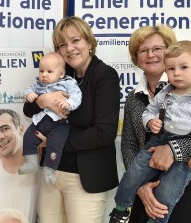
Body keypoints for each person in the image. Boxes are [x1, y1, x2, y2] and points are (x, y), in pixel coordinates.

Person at [109, 40, 191, 223]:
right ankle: (121, 209)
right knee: (130, 178)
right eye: (143, 50)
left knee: (167, 193)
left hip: (189, 177)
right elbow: (129, 144)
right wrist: (141, 185)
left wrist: (177, 150)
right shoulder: (139, 97)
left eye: (157, 49)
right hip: (147, 172)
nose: (150, 54)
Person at [23, 16, 120, 223]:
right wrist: (44, 100)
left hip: (86, 177)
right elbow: (28, 109)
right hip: (53, 171)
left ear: (89, 42)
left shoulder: (105, 75)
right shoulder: (62, 75)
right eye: (62, 45)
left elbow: (104, 133)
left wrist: (55, 144)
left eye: (75, 40)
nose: (70, 48)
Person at [19, 52, 82, 184]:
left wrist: (68, 104)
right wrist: (29, 94)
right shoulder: (38, 84)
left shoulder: (68, 83)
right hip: (40, 121)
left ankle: (49, 169)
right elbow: (28, 90)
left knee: (55, 144)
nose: (44, 75)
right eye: (41, 71)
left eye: (49, 71)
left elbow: (77, 96)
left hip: (60, 124)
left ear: (61, 73)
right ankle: (31, 163)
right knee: (29, 136)